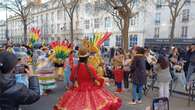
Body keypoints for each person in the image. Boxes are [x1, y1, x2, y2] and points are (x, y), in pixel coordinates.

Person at [54, 48, 121, 110]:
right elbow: (96, 78)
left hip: (77, 89)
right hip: (91, 89)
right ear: (87, 58)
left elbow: (72, 78)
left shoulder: (75, 68)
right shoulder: (90, 67)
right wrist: (104, 79)